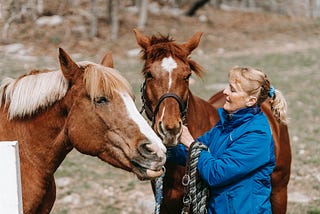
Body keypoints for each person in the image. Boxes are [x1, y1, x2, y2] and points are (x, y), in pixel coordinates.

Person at [167, 66, 288, 213]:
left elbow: (217, 174)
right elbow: (194, 151)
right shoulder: (226, 124)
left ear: (250, 100)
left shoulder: (257, 135)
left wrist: (190, 143)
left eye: (232, 90)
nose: (225, 92)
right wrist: (162, 152)